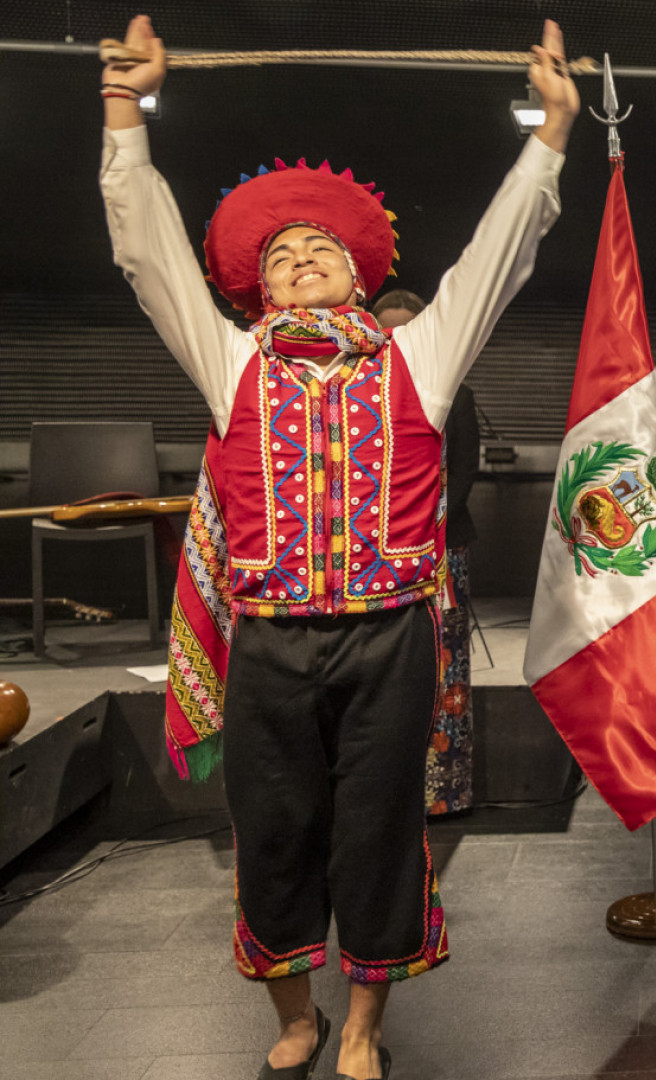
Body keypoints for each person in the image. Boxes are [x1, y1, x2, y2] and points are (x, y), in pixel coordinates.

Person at [100, 15, 577, 1078]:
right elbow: (148, 252)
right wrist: (123, 113)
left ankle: (362, 1025)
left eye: (320, 247)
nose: (303, 256)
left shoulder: (421, 359)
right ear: (258, 287)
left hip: (388, 640)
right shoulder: (230, 365)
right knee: (269, 831)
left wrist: (549, 135)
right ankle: (295, 1015)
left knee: (376, 829)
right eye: (282, 252)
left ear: (357, 275)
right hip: (270, 642)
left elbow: (499, 256)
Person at [371, 288, 479, 817]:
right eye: (385, 331)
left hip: (438, 550)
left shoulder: (453, 389)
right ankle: (382, 795)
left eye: (405, 331)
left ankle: (443, 794)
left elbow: (462, 473)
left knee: (444, 669)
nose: (395, 341)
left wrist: (423, 531)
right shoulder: (356, 392)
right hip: (372, 558)